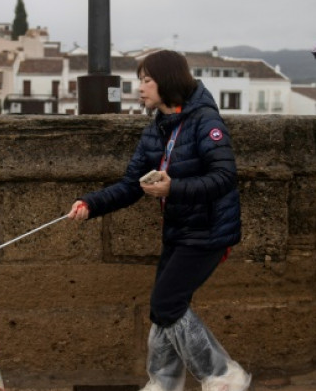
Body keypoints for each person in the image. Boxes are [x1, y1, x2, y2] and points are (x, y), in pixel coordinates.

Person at [67, 50, 250, 391]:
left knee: (167, 303)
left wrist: (174, 187)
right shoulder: (156, 130)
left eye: (147, 80)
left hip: (208, 231)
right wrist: (90, 204)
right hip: (180, 231)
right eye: (141, 80)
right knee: (163, 307)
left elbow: (225, 176)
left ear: (167, 82)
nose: (140, 88)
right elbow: (130, 185)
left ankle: (224, 374)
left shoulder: (205, 121)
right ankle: (164, 383)